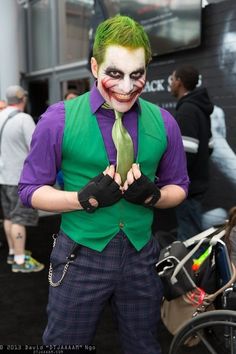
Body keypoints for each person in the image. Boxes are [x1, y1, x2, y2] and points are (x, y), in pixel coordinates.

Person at [19, 15, 189, 353]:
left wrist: (154, 196)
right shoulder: (58, 119)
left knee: (143, 346)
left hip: (142, 256)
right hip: (81, 256)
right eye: (114, 73)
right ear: (95, 67)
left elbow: (179, 187)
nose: (126, 87)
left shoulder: (164, 122)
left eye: (136, 74)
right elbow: (29, 192)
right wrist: (82, 198)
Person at [0, 85, 44, 273]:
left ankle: (12, 253)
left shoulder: (0, 116)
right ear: (22, 99)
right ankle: (20, 261)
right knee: (19, 219)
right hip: (19, 177)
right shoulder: (24, 119)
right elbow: (36, 147)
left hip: (3, 177)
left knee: (9, 216)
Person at [169, 65, 214, 241]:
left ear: (179, 82)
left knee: (189, 240)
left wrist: (173, 178)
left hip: (187, 188)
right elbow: (209, 146)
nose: (171, 84)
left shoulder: (187, 110)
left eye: (172, 79)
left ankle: (190, 269)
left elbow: (185, 154)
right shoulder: (199, 108)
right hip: (197, 185)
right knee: (195, 235)